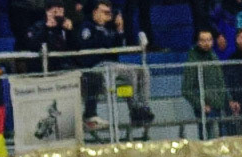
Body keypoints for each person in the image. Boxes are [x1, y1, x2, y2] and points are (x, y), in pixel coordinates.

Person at [80, 0, 154, 131]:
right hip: (95, 67)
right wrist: (105, 36)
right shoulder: (87, 27)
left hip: (113, 66)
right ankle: (135, 109)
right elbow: (91, 47)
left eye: (109, 13)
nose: (108, 16)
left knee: (143, 70)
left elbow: (118, 47)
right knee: (129, 72)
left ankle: (144, 107)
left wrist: (120, 30)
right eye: (104, 12)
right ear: (95, 12)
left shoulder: (110, 27)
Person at [183, 29, 242, 138]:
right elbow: (186, 90)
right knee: (208, 139)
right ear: (198, 42)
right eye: (203, 40)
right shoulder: (192, 61)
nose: (206, 43)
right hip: (206, 109)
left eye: (209, 40)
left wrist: (229, 100)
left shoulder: (214, 56)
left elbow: (221, 81)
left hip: (219, 105)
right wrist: (201, 105)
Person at [26, 0, 79, 72]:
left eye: (61, 12)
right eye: (55, 12)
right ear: (47, 12)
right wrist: (46, 28)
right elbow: (32, 45)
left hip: (64, 67)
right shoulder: (37, 27)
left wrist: (70, 32)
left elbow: (76, 47)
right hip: (44, 67)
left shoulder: (64, 27)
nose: (58, 15)